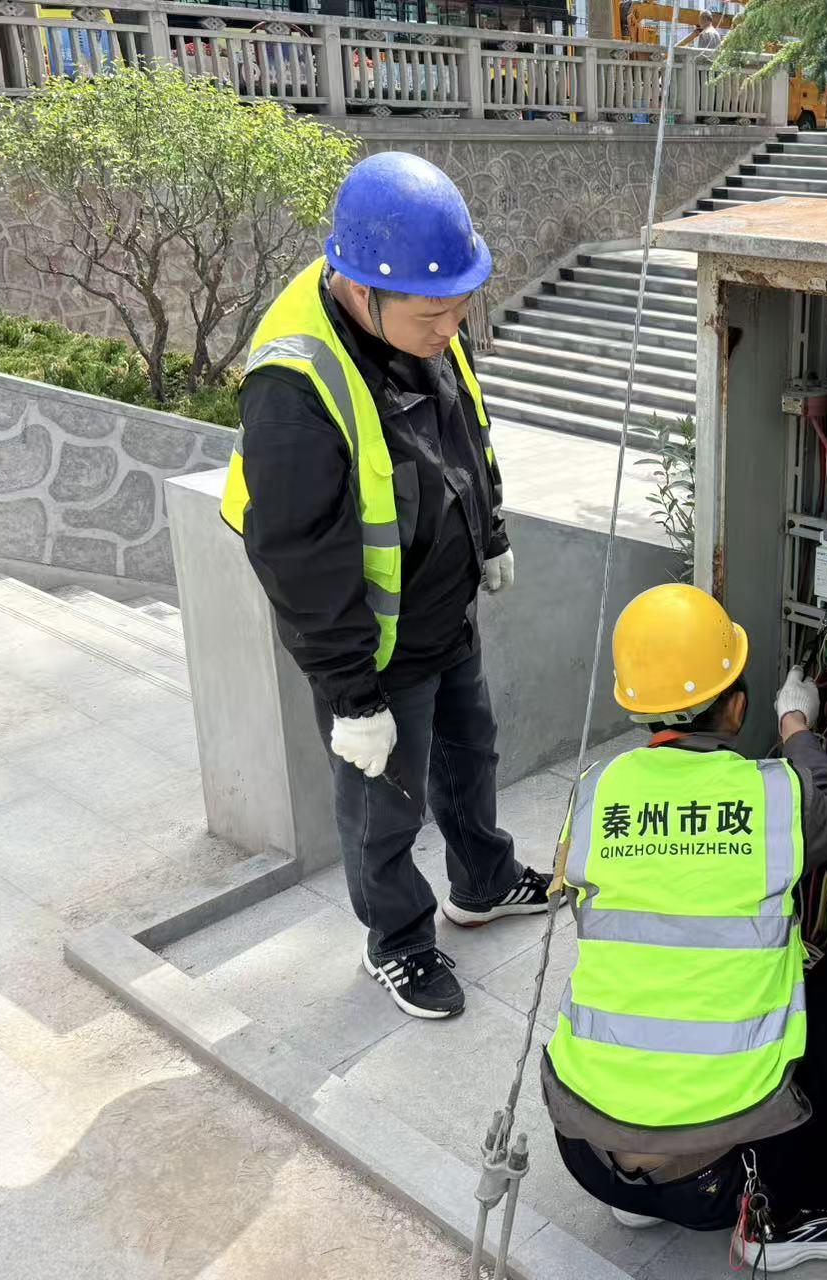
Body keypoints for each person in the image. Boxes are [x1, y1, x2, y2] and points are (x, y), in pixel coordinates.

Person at [221, 152, 548, 1021]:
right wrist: (352, 696)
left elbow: (464, 432)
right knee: (384, 804)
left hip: (443, 606)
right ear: (362, 291)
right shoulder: (293, 387)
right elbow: (297, 557)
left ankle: (483, 882)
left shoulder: (422, 312)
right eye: (433, 315)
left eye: (459, 308)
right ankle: (397, 943)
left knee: (470, 756)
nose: (451, 328)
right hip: (372, 642)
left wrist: (490, 535)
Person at [542, 584, 827, 1270]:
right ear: (736, 707)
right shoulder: (773, 795)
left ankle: (637, 1190)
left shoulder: (595, 790)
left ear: (635, 703)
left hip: (583, 1150)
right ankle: (780, 1222)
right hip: (719, 1185)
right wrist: (796, 724)